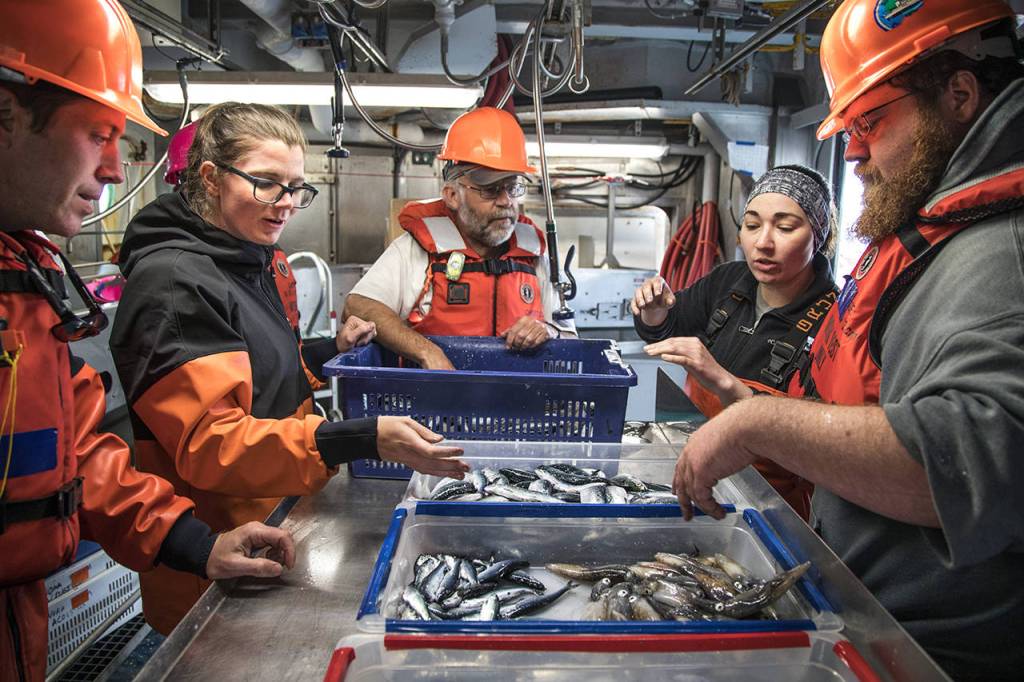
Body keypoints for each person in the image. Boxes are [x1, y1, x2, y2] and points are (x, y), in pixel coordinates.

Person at [672, 0, 1024, 679]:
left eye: (871, 121)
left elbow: (974, 463)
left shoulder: (1001, 252)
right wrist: (736, 398)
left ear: (959, 94)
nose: (854, 149)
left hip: (937, 653)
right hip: (864, 611)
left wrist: (757, 421)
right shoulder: (931, 231)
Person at [0, 2, 298, 679]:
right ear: (6, 116)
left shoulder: (24, 279)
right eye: (99, 134)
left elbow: (81, 452)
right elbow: (208, 442)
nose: (115, 168)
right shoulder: (173, 278)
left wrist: (192, 542)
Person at [109, 102, 469, 634]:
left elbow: (255, 372)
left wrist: (326, 353)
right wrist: (357, 438)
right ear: (210, 177)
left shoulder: (243, 258)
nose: (286, 204)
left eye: (297, 187)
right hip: (214, 557)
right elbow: (213, 445)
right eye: (267, 183)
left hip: (271, 519)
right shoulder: (175, 281)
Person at [633, 165, 838, 518]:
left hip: (770, 504)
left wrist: (723, 381)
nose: (763, 243)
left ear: (817, 236)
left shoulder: (835, 321)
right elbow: (667, 324)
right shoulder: (729, 281)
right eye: (752, 224)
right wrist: (654, 312)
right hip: (695, 467)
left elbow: (817, 442)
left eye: (785, 227)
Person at [344, 106, 576, 370]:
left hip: (518, 406)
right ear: (452, 195)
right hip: (433, 405)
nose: (505, 201)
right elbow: (357, 306)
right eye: (489, 190)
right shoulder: (415, 250)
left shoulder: (534, 256)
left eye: (512, 187)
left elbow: (568, 335)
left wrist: (547, 330)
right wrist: (426, 351)